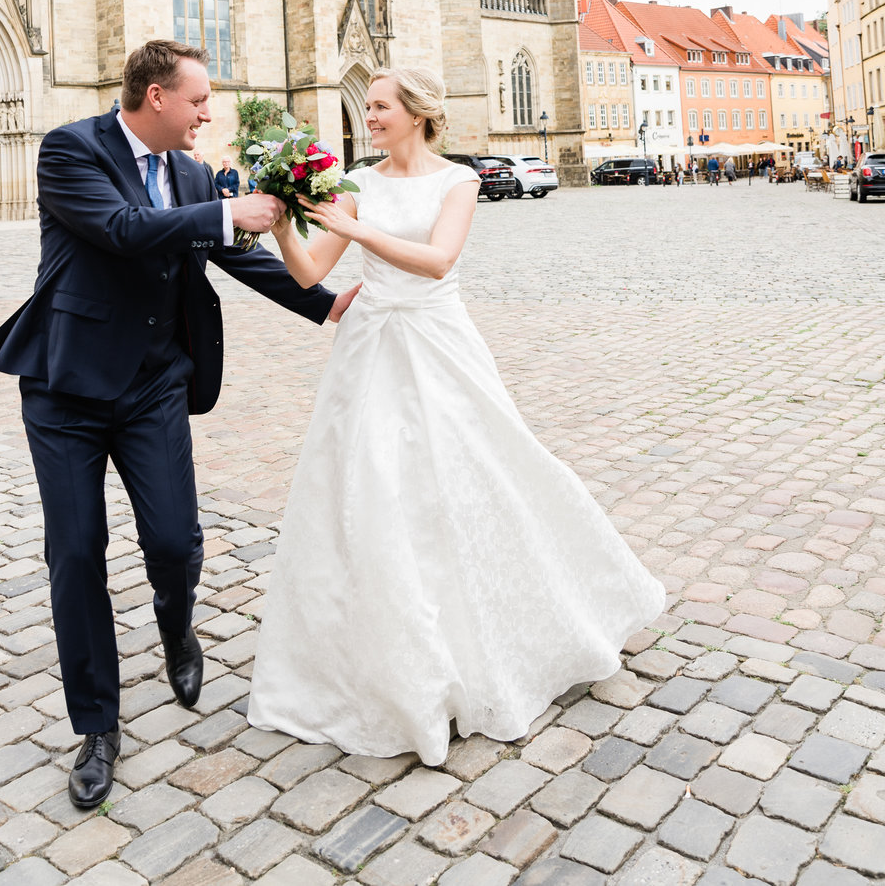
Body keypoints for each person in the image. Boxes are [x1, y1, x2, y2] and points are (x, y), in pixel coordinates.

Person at [0, 41, 358, 808]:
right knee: (77, 553)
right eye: (198, 100)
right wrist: (224, 210)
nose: (208, 113)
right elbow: (120, 228)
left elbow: (232, 255)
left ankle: (177, 626)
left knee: (176, 542)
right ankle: (97, 726)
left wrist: (325, 304)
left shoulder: (187, 172)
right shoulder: (68, 150)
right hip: (67, 389)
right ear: (156, 98)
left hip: (153, 384)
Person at [247, 67, 665, 765]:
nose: (371, 116)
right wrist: (285, 223)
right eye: (369, 107)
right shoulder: (355, 180)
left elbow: (438, 260)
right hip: (369, 346)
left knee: (488, 468)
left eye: (381, 107)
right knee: (368, 490)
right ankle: (371, 652)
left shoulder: (457, 181)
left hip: (437, 341)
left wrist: (356, 227)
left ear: (416, 113)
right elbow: (310, 275)